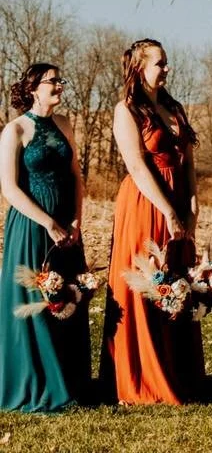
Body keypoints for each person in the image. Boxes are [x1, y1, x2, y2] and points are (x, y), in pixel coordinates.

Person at [100, 38, 205, 405]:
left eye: (166, 62)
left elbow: (188, 164)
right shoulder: (127, 110)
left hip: (177, 200)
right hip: (146, 202)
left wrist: (191, 209)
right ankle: (144, 377)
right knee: (146, 282)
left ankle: (180, 373)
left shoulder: (175, 108)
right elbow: (137, 166)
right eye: (160, 63)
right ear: (139, 67)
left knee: (179, 283)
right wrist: (167, 210)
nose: (166, 69)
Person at [0, 61, 91, 411]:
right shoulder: (16, 130)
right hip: (31, 228)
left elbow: (76, 177)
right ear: (34, 87)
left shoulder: (64, 125)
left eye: (61, 81)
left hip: (67, 229)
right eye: (53, 81)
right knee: (37, 300)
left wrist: (76, 222)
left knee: (69, 297)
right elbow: (9, 187)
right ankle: (38, 384)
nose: (59, 86)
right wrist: (47, 223)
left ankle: (70, 380)